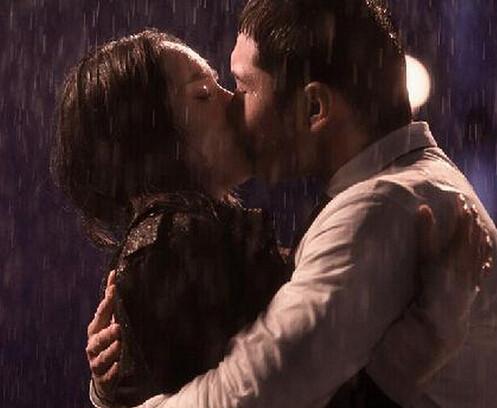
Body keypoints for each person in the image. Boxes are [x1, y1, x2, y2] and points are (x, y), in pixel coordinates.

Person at [84, 1, 497, 407]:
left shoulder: (380, 210)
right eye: (206, 94)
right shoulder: (407, 187)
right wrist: (123, 376)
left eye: (242, 87)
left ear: (314, 108)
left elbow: (251, 395)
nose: (232, 104)